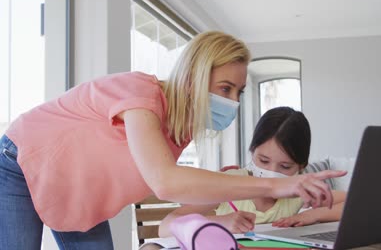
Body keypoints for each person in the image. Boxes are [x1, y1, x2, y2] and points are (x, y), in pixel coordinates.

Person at [0, 31, 346, 249]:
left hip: (76, 193)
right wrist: (271, 187)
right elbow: (166, 182)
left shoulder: (177, 132)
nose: (234, 102)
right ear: (194, 76)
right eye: (225, 88)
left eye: (239, 92)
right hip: (19, 163)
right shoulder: (139, 95)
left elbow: (184, 187)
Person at [158, 107, 346, 237]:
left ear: (301, 167)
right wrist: (220, 222)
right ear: (252, 151)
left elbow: (353, 203)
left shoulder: (296, 190)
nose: (271, 172)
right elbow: (166, 226)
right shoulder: (230, 183)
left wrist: (311, 215)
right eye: (263, 160)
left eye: (285, 167)